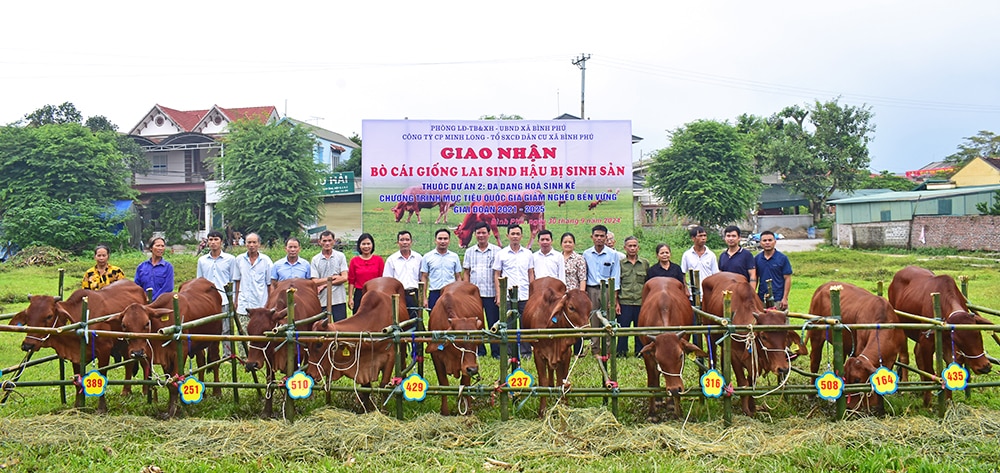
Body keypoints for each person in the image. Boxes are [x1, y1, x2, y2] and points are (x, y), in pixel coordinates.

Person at [493, 224, 534, 357]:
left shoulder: (528, 253)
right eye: (513, 234)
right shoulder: (501, 254)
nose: (515, 236)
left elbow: (530, 274)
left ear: (521, 236)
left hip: (524, 294)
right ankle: (509, 352)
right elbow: (497, 274)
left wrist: (532, 294)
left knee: (525, 324)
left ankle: (526, 351)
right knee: (508, 325)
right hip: (508, 296)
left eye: (518, 234)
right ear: (508, 236)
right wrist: (499, 294)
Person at [464, 221, 501, 358]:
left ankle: (496, 351)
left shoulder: (497, 251)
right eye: (478, 233)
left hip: (491, 293)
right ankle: (480, 350)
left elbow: (499, 273)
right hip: (474, 296)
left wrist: (498, 294)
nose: (481, 235)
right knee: (476, 324)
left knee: (494, 323)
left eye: (483, 232)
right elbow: (466, 272)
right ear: (475, 235)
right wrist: (466, 292)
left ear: (489, 234)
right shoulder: (469, 252)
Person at [582, 224, 621, 354]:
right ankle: (595, 350)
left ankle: (609, 349)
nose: (599, 238)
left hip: (607, 290)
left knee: (609, 319)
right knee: (594, 319)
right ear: (592, 237)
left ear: (606, 238)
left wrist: (614, 297)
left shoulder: (613, 254)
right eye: (596, 236)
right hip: (591, 290)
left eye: (602, 236)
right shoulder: (586, 254)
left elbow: (615, 275)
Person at [197, 230, 236, 356]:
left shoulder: (230, 259)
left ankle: (228, 354)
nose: (213, 243)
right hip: (207, 302)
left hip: (224, 299)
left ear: (221, 242)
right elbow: (199, 281)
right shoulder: (202, 260)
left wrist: (233, 300)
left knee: (226, 329)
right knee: (208, 328)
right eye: (210, 240)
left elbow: (233, 280)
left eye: (216, 240)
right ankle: (211, 352)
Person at [616, 236, 648, 357]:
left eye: (635, 245)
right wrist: (617, 303)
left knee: (639, 329)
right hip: (625, 301)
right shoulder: (620, 264)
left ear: (638, 247)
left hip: (641, 302)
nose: (632, 248)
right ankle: (621, 353)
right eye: (630, 246)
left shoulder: (644, 263)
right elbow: (617, 284)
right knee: (623, 329)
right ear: (625, 248)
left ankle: (639, 352)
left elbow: (647, 283)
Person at [233, 232, 272, 332]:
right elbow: (237, 281)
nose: (251, 245)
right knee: (243, 335)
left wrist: (269, 303)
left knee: (259, 335)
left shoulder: (266, 261)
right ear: (245, 243)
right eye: (249, 242)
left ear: (259, 244)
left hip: (260, 305)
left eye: (254, 242)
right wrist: (235, 300)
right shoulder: (239, 260)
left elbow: (270, 284)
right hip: (243, 305)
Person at [420, 228, 463, 310]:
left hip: (451, 293)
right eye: (440, 238)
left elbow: (458, 277)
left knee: (452, 319)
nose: (442, 241)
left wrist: (459, 294)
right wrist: (424, 298)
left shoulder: (454, 256)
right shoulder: (427, 257)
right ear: (435, 240)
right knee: (435, 320)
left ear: (449, 241)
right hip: (434, 293)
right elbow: (424, 277)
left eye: (445, 239)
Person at [383, 230, 422, 319]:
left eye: (407, 240)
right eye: (402, 240)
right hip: (398, 295)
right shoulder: (391, 260)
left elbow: (421, 278)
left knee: (415, 320)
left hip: (414, 295)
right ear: (398, 242)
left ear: (411, 242)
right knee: (399, 320)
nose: (405, 242)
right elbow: (387, 281)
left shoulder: (418, 258)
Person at [312, 230, 349, 321]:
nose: (327, 243)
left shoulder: (340, 256)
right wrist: (333, 277)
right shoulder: (315, 259)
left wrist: (325, 284)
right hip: (322, 300)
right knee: (323, 328)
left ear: (334, 241)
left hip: (339, 299)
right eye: (324, 241)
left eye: (329, 240)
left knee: (340, 328)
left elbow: (344, 277)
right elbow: (314, 281)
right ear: (319, 242)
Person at [755, 230, 793, 310]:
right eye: (764, 240)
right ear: (760, 243)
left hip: (778, 299)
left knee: (779, 321)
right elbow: (755, 279)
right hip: (761, 299)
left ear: (775, 242)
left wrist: (785, 298)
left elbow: (787, 278)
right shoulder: (757, 259)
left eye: (770, 240)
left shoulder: (782, 258)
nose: (767, 243)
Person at [680, 225, 719, 301]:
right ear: (693, 238)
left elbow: (715, 275)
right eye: (700, 236)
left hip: (708, 294)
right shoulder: (687, 255)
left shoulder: (711, 255)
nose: (703, 238)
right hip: (693, 294)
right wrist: (686, 289)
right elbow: (683, 274)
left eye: (705, 236)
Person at [347, 233, 384, 312]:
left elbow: (382, 280)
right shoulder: (354, 261)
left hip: (375, 293)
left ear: (372, 245)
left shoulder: (379, 260)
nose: (366, 246)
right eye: (363, 244)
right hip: (359, 294)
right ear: (359, 245)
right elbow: (351, 281)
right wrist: (350, 298)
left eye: (368, 244)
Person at [134, 236, 174, 300]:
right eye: (158, 246)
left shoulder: (168, 267)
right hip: (144, 303)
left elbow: (168, 288)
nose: (160, 248)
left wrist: (153, 300)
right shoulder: (141, 267)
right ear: (151, 248)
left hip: (161, 304)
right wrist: (144, 299)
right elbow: (136, 286)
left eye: (162, 246)